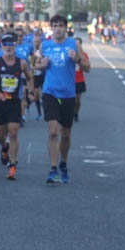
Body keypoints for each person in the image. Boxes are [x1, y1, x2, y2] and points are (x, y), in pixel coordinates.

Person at [34, 15, 89, 184]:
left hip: (68, 94)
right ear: (51, 28)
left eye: (61, 26)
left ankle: (63, 163)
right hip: (50, 92)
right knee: (52, 131)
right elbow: (36, 64)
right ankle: (53, 168)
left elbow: (88, 67)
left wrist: (77, 59)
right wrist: (41, 65)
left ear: (66, 28)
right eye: (55, 25)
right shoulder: (45, 45)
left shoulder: (74, 44)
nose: (58, 28)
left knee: (65, 133)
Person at [0, 33, 32, 180]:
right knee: (0, 136)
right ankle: (4, 148)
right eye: (5, 44)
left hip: (14, 102)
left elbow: (30, 77)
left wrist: (30, 91)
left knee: (13, 133)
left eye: (11, 44)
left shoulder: (22, 63)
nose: (8, 47)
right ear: (1, 46)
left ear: (15, 45)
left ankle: (13, 165)